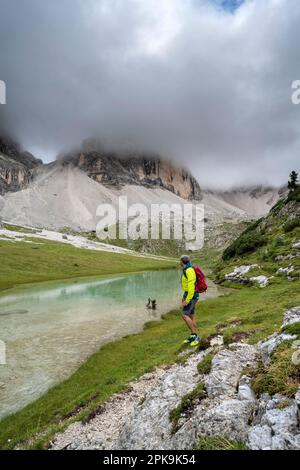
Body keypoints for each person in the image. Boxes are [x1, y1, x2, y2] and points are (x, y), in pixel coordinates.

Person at [180, 255, 201, 346]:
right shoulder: (187, 269)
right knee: (191, 315)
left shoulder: (189, 270)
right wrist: (184, 297)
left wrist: (187, 299)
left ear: (182, 261)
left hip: (191, 296)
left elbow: (191, 285)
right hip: (188, 294)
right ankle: (194, 335)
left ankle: (195, 335)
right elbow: (187, 286)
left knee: (184, 315)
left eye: (180, 261)